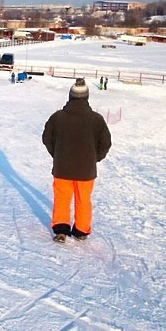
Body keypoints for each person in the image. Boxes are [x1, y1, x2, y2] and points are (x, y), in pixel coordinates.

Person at [42, 78, 112, 243]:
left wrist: (58, 155)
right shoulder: (96, 119)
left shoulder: (57, 117)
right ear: (87, 97)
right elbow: (106, 143)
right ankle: (81, 231)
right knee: (83, 200)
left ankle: (61, 230)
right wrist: (93, 159)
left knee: (62, 198)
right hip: (86, 171)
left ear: (70, 96)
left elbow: (47, 139)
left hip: (62, 168)